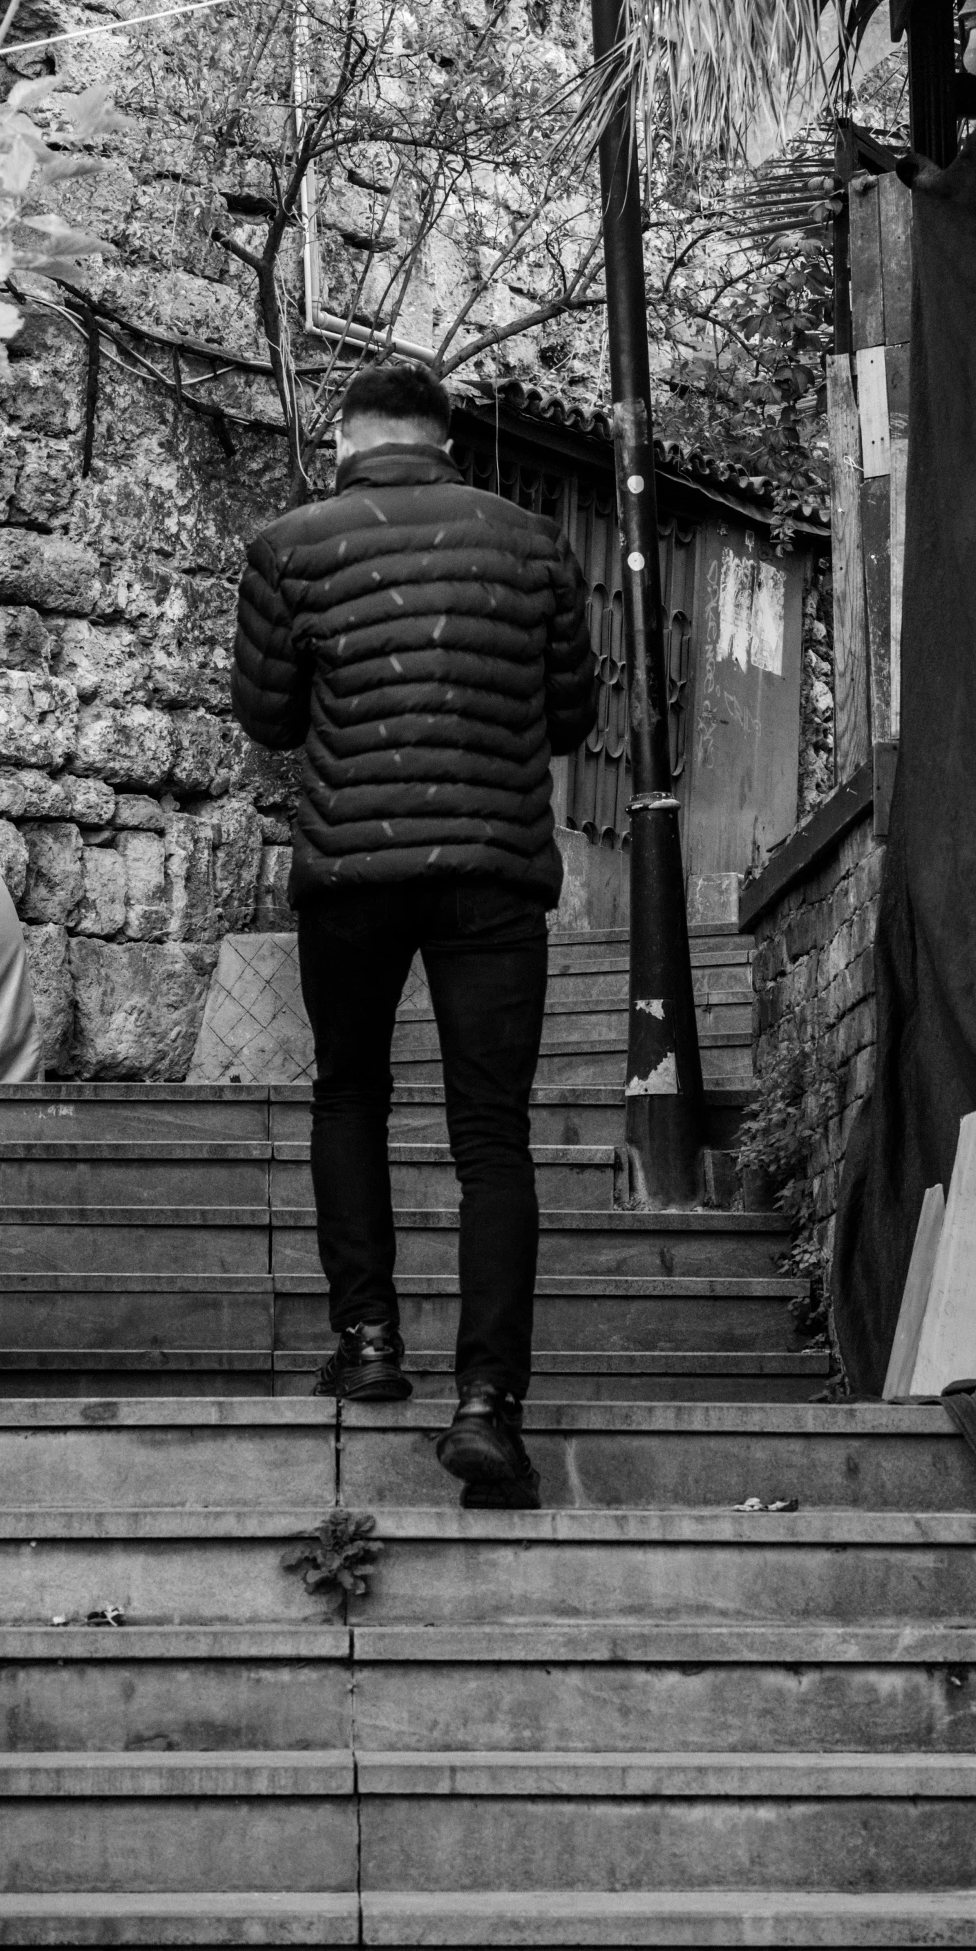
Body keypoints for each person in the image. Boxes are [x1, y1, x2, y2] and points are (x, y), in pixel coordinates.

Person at [232, 363, 595, 1507]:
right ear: (446, 441)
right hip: (493, 869)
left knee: (350, 1094)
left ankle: (371, 1343)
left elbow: (269, 713)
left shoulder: (288, 545)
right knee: (493, 1136)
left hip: (350, 870)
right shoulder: (532, 541)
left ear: (346, 441)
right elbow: (574, 714)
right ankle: (487, 1404)